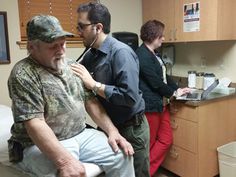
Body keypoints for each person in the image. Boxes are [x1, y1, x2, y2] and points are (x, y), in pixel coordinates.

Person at [7, 14, 135, 177]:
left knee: (122, 154)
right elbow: (35, 123)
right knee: (67, 172)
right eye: (53, 46)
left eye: (63, 43)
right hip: (36, 143)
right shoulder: (23, 74)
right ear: (32, 47)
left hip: (80, 134)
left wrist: (112, 131)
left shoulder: (72, 66)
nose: (61, 50)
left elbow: (91, 102)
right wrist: (65, 162)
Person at [70, 2, 150, 177]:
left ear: (98, 27)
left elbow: (129, 97)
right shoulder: (91, 54)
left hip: (131, 129)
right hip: (108, 126)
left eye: (82, 26)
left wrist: (94, 85)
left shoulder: (121, 53)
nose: (78, 31)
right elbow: (76, 76)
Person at [135, 20, 191, 176]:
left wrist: (178, 89)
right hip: (150, 107)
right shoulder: (142, 55)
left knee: (166, 140)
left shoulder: (154, 53)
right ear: (154, 35)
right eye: (161, 35)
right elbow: (156, 83)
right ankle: (143, 173)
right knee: (150, 142)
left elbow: (164, 76)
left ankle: (144, 172)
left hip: (161, 105)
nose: (164, 38)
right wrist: (173, 94)